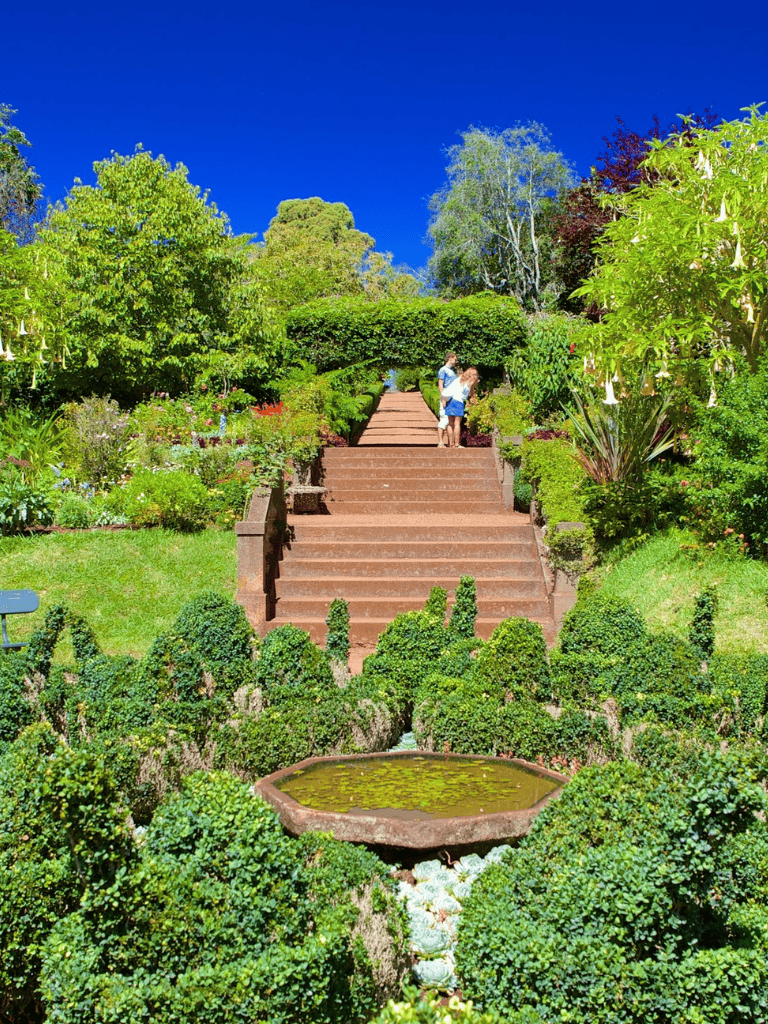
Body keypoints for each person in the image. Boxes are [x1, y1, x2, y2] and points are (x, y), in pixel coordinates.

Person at [441, 368, 479, 448]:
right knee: (457, 423)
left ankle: (450, 444)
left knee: (450, 423)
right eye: (475, 374)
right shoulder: (470, 382)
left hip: (450, 400)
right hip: (458, 402)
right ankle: (457, 444)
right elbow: (471, 393)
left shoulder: (459, 379)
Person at [436, 353, 458, 447]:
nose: (456, 361)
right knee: (444, 419)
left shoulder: (451, 371)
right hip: (446, 395)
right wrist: (443, 397)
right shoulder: (443, 370)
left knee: (450, 420)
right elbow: (440, 384)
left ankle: (451, 443)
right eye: (455, 359)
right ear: (450, 358)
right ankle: (440, 442)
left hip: (452, 396)